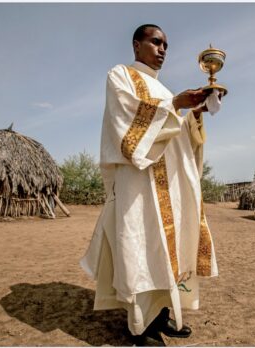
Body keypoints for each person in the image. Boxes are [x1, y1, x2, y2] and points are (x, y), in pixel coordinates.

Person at [80, 24, 219, 346]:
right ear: (136, 44)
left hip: (170, 185)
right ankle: (139, 324)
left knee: (166, 251)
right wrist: (175, 105)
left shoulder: (163, 89)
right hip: (139, 184)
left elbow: (177, 135)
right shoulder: (121, 75)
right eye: (156, 42)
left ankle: (161, 315)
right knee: (141, 248)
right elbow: (126, 119)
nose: (162, 50)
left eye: (166, 45)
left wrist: (194, 113)